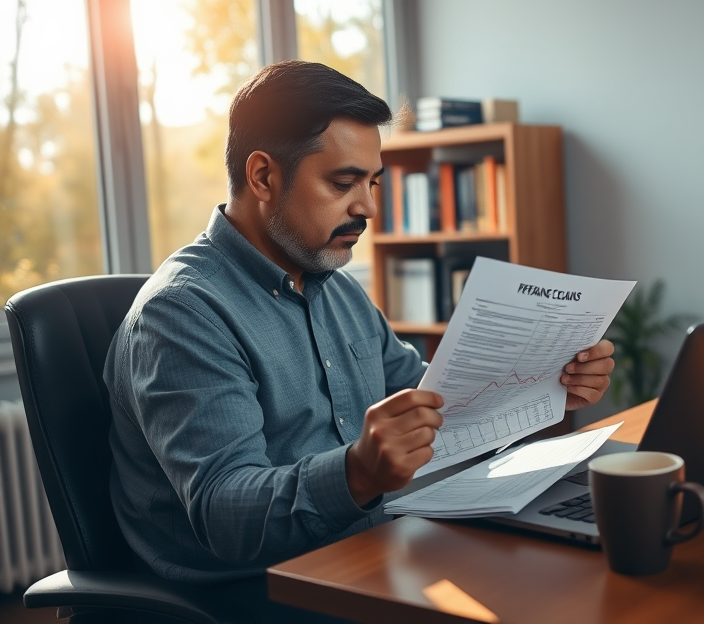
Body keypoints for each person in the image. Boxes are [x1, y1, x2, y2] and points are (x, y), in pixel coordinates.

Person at [104, 60, 615, 622]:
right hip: (256, 591)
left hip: (372, 548)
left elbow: (432, 398)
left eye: (373, 183)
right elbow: (226, 514)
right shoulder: (181, 313)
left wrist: (544, 387)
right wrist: (358, 472)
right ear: (263, 177)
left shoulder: (335, 289)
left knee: (572, 582)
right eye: (343, 183)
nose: (368, 208)